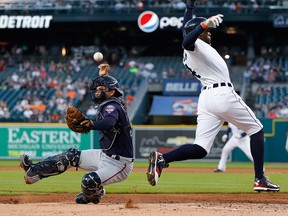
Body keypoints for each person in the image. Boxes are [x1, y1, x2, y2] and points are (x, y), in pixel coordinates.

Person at [146, 0, 280, 192]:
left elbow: (186, 31)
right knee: (257, 129)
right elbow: (186, 39)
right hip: (221, 93)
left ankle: (163, 159)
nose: (209, 34)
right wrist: (203, 24)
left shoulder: (195, 48)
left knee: (200, 148)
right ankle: (260, 179)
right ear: (199, 32)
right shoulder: (195, 46)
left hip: (207, 99)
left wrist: (189, 8)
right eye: (207, 31)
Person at [20, 63, 134, 204]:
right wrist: (102, 76)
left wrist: (92, 124)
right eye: (97, 88)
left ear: (112, 91)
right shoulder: (109, 102)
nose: (97, 91)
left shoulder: (112, 106)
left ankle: (94, 194)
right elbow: (105, 91)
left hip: (119, 164)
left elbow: (109, 122)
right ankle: (33, 173)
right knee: (71, 156)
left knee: (89, 181)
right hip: (104, 155)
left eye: (101, 89)